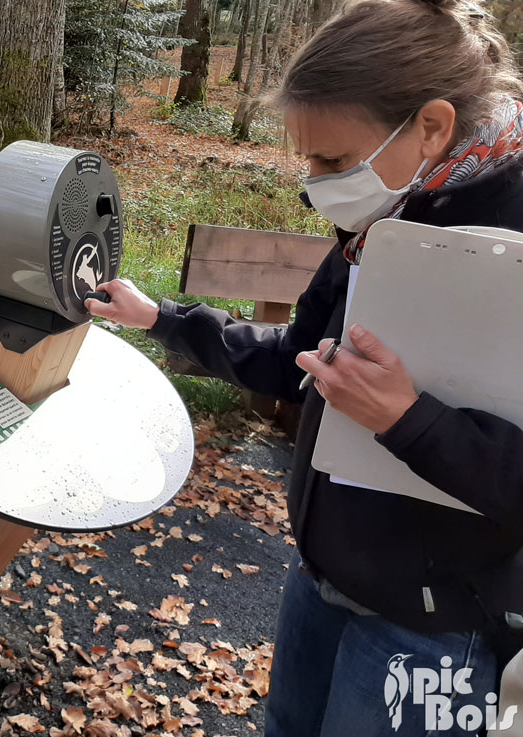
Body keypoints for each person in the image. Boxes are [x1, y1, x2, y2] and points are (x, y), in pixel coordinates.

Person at [86, 1, 523, 734]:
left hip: (441, 621)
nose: (314, 182)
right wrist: (161, 317)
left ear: (432, 126)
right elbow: (298, 359)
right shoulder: (386, 213)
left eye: (333, 161)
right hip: (322, 576)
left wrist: (411, 422)